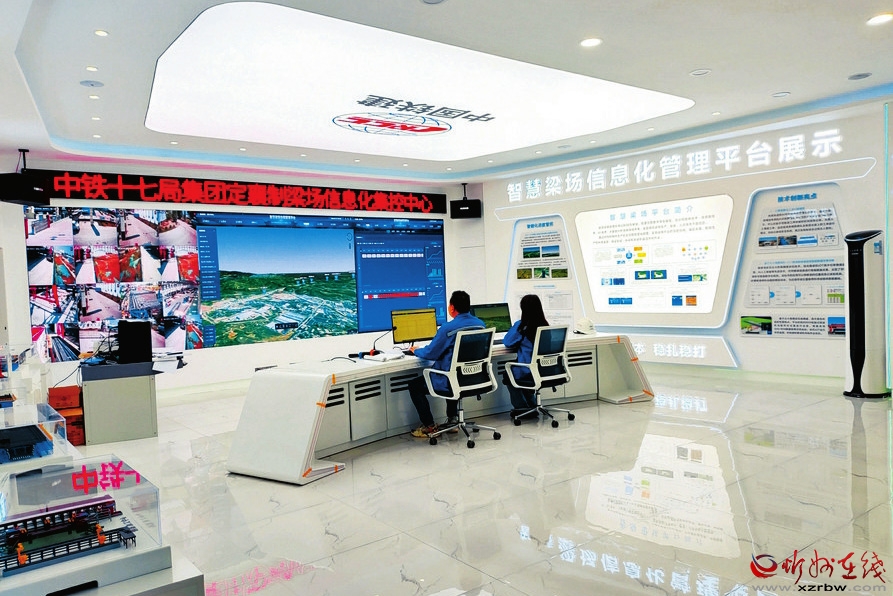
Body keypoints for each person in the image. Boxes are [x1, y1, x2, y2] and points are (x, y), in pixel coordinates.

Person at [406, 290, 485, 438]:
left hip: (451, 380)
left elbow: (431, 353)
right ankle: (452, 419)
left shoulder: (448, 328)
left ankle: (429, 426)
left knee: (415, 386)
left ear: (452, 307)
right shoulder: (480, 325)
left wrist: (416, 350)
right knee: (453, 372)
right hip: (473, 378)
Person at [502, 294, 548, 419]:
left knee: (509, 374)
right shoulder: (545, 326)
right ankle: (532, 405)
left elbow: (508, 342)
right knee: (519, 372)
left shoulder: (522, 326)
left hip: (528, 370)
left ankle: (521, 408)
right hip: (544, 370)